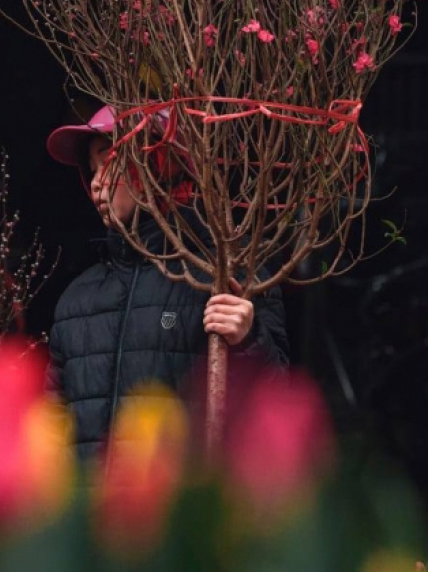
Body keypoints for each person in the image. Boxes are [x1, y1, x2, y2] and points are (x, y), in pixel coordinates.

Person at [45, 106, 290, 457]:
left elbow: (273, 405)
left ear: (160, 165)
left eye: (108, 163)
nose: (96, 183)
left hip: (179, 508)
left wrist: (248, 340)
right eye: (93, 171)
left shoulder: (223, 280)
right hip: (90, 510)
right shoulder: (77, 300)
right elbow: (51, 434)